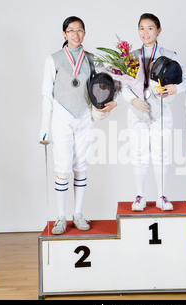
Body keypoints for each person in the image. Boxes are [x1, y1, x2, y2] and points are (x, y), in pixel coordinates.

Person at [39, 16, 117, 235]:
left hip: (84, 115)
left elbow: (108, 83)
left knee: (81, 165)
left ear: (84, 33)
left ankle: (78, 213)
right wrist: (44, 125)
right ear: (64, 34)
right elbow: (47, 92)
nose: (75, 34)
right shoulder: (53, 59)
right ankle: (61, 218)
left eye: (79, 30)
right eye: (71, 30)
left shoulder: (91, 59)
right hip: (62, 116)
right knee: (62, 168)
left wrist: (112, 102)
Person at [122, 13, 186, 211]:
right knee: (138, 153)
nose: (145, 32)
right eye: (142, 28)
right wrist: (133, 100)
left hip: (161, 110)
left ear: (158, 30)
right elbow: (122, 85)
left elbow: (184, 80)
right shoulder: (130, 57)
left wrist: (174, 89)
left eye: (150, 28)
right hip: (137, 112)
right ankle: (139, 196)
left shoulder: (170, 54)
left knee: (161, 153)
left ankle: (162, 196)